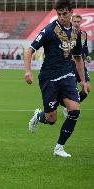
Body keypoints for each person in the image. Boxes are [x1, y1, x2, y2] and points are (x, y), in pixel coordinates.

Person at [24, 0, 87, 158]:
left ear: (71, 13)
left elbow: (78, 58)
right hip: (49, 78)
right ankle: (39, 116)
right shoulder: (50, 30)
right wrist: (27, 71)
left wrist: (83, 80)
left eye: (64, 14)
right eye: (58, 14)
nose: (61, 17)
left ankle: (59, 147)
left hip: (67, 76)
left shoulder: (76, 33)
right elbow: (29, 50)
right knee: (51, 119)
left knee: (74, 110)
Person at [62, 14, 91, 117]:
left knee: (87, 88)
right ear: (71, 21)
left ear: (81, 22)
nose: (76, 23)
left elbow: (85, 47)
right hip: (69, 65)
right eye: (75, 21)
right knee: (72, 89)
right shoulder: (66, 34)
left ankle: (69, 107)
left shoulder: (83, 34)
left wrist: (87, 56)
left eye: (78, 21)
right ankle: (70, 108)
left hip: (80, 64)